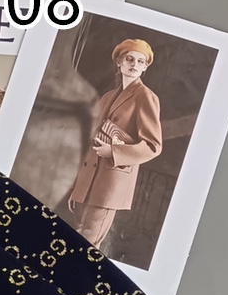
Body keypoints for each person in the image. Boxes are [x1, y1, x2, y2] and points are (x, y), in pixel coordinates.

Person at [67, 38, 163, 248]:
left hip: (111, 181)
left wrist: (112, 150)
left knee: (87, 243)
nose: (134, 64)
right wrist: (77, 186)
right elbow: (91, 142)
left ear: (145, 67)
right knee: (78, 238)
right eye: (129, 59)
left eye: (140, 61)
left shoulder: (145, 97)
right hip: (89, 179)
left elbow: (153, 146)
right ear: (119, 62)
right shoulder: (108, 96)